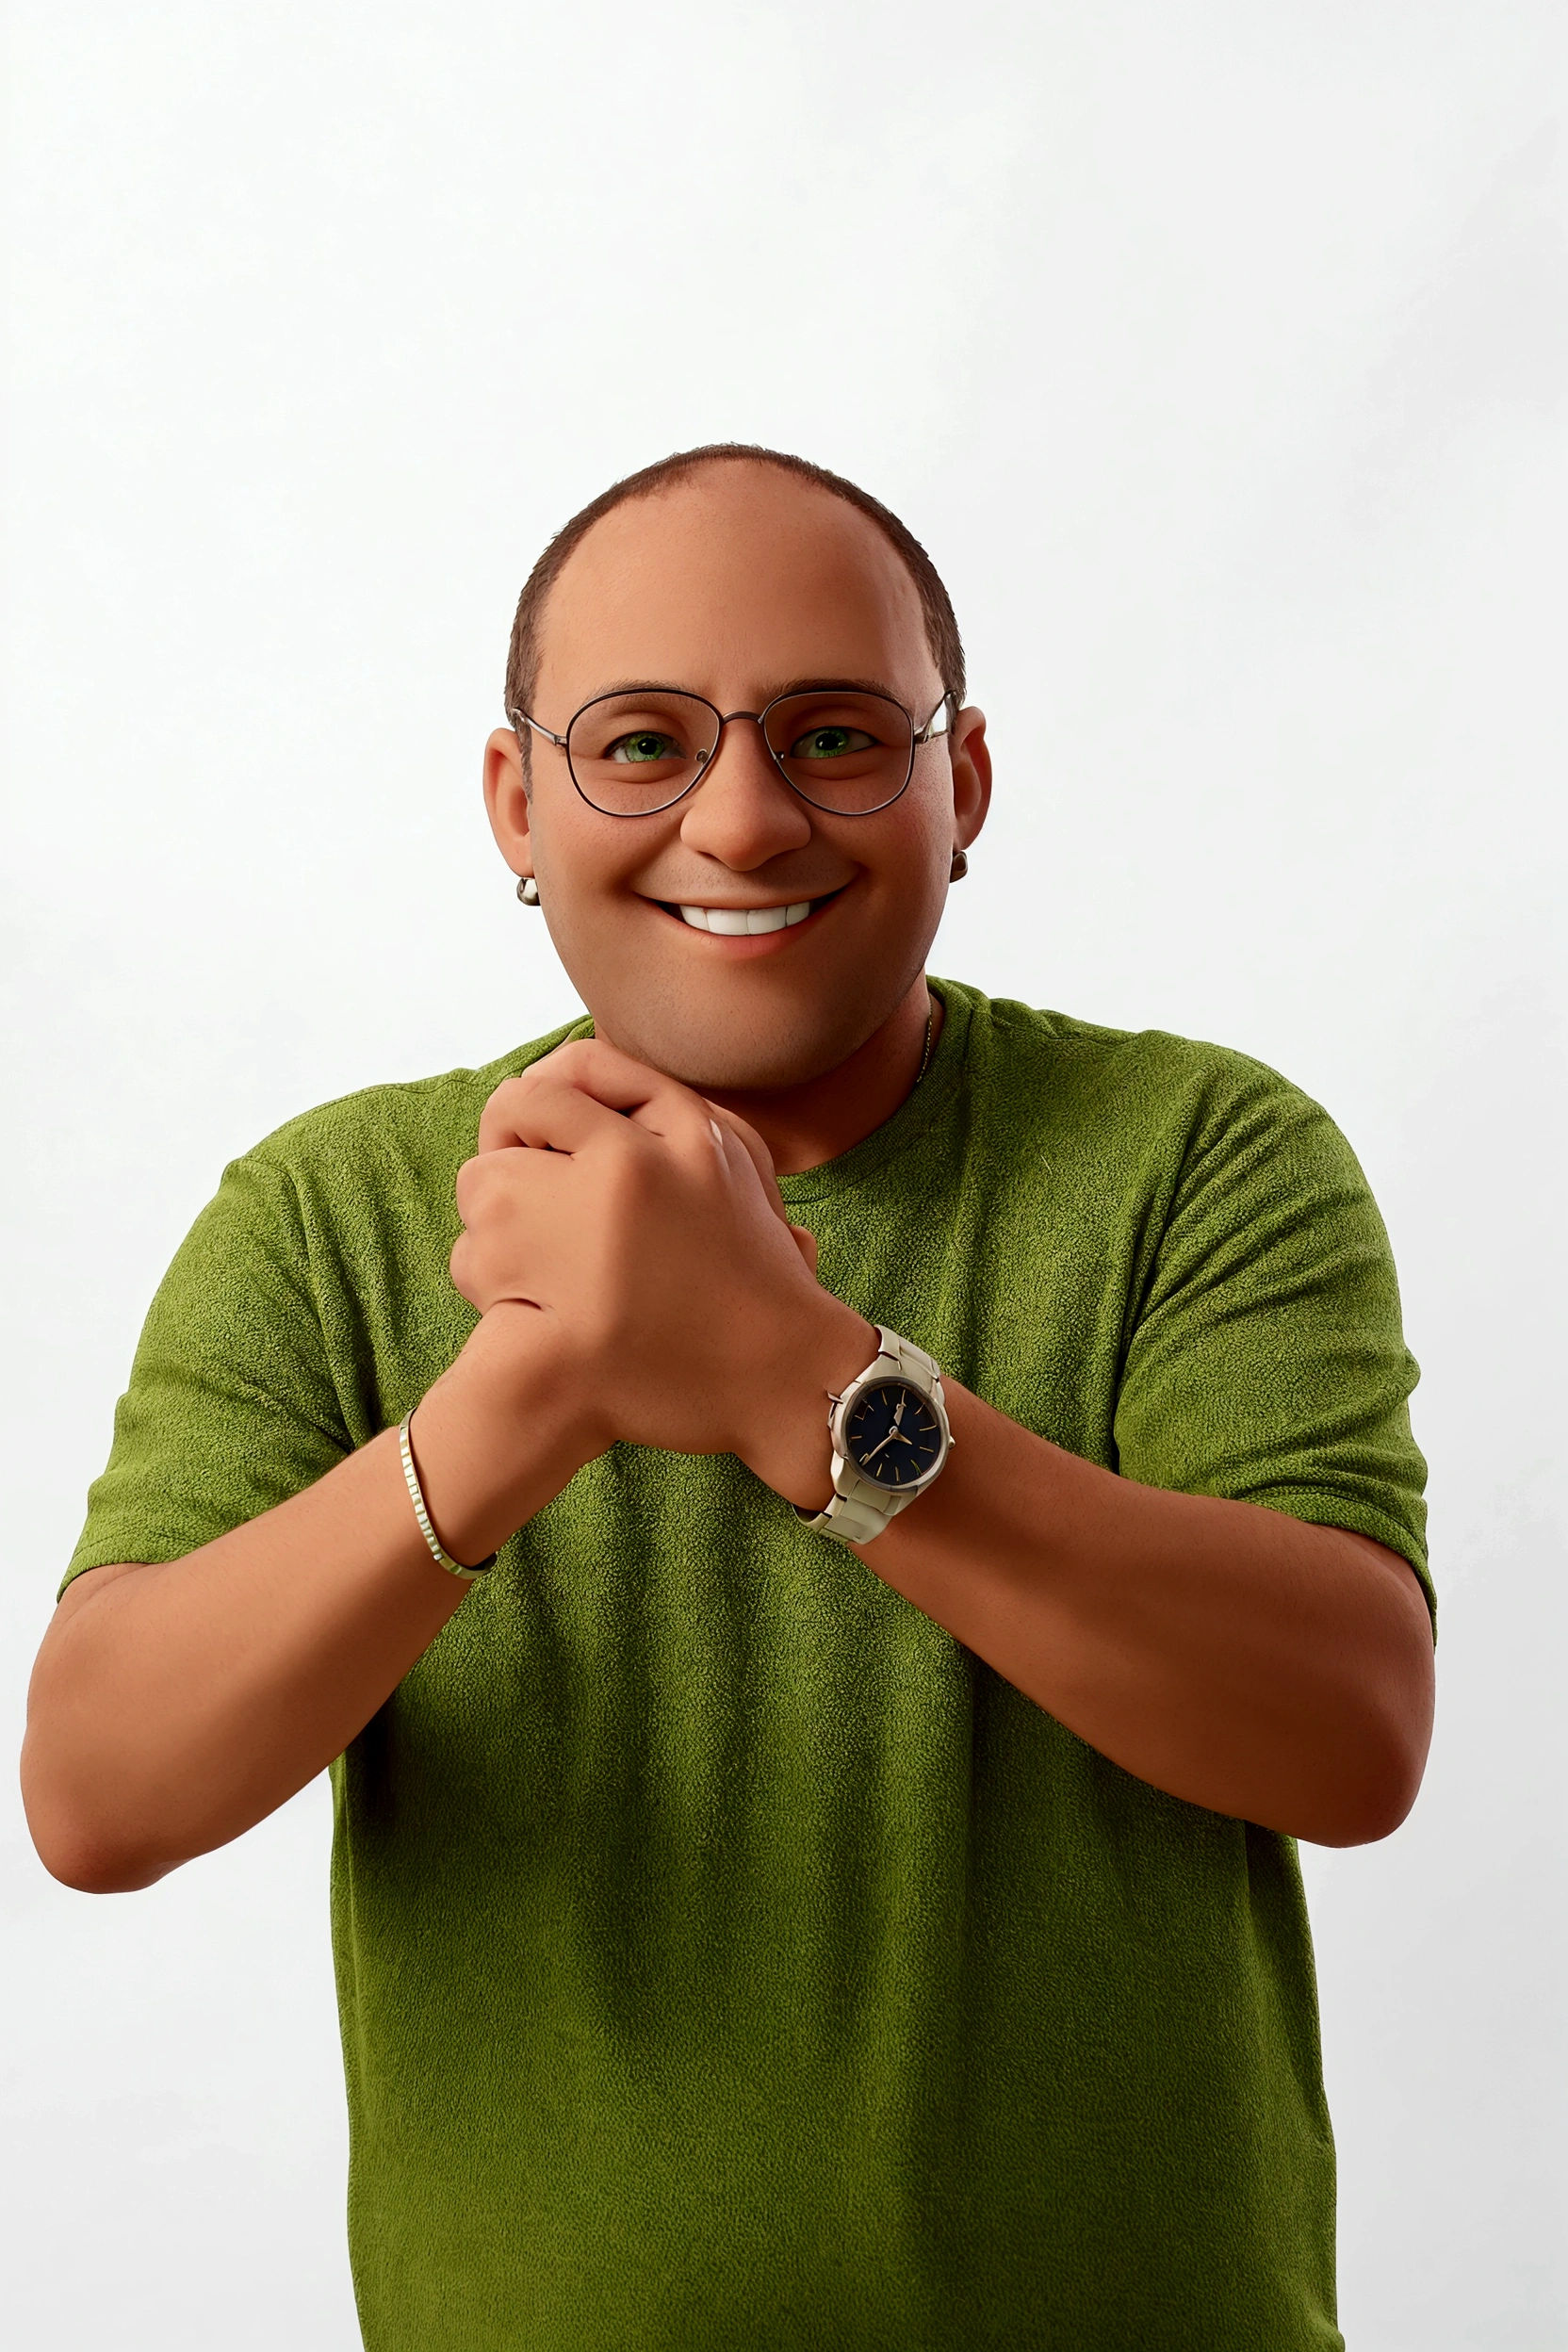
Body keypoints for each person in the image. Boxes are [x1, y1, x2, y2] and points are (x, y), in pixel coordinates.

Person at [23, 444, 1435, 2351]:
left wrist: (796, 1376)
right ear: (519, 800)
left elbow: (1345, 1732)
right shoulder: (327, 1215)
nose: (747, 820)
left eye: (838, 736)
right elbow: (98, 1793)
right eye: (641, 741)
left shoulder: (1199, 1155)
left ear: (966, 786)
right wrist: (541, 1386)